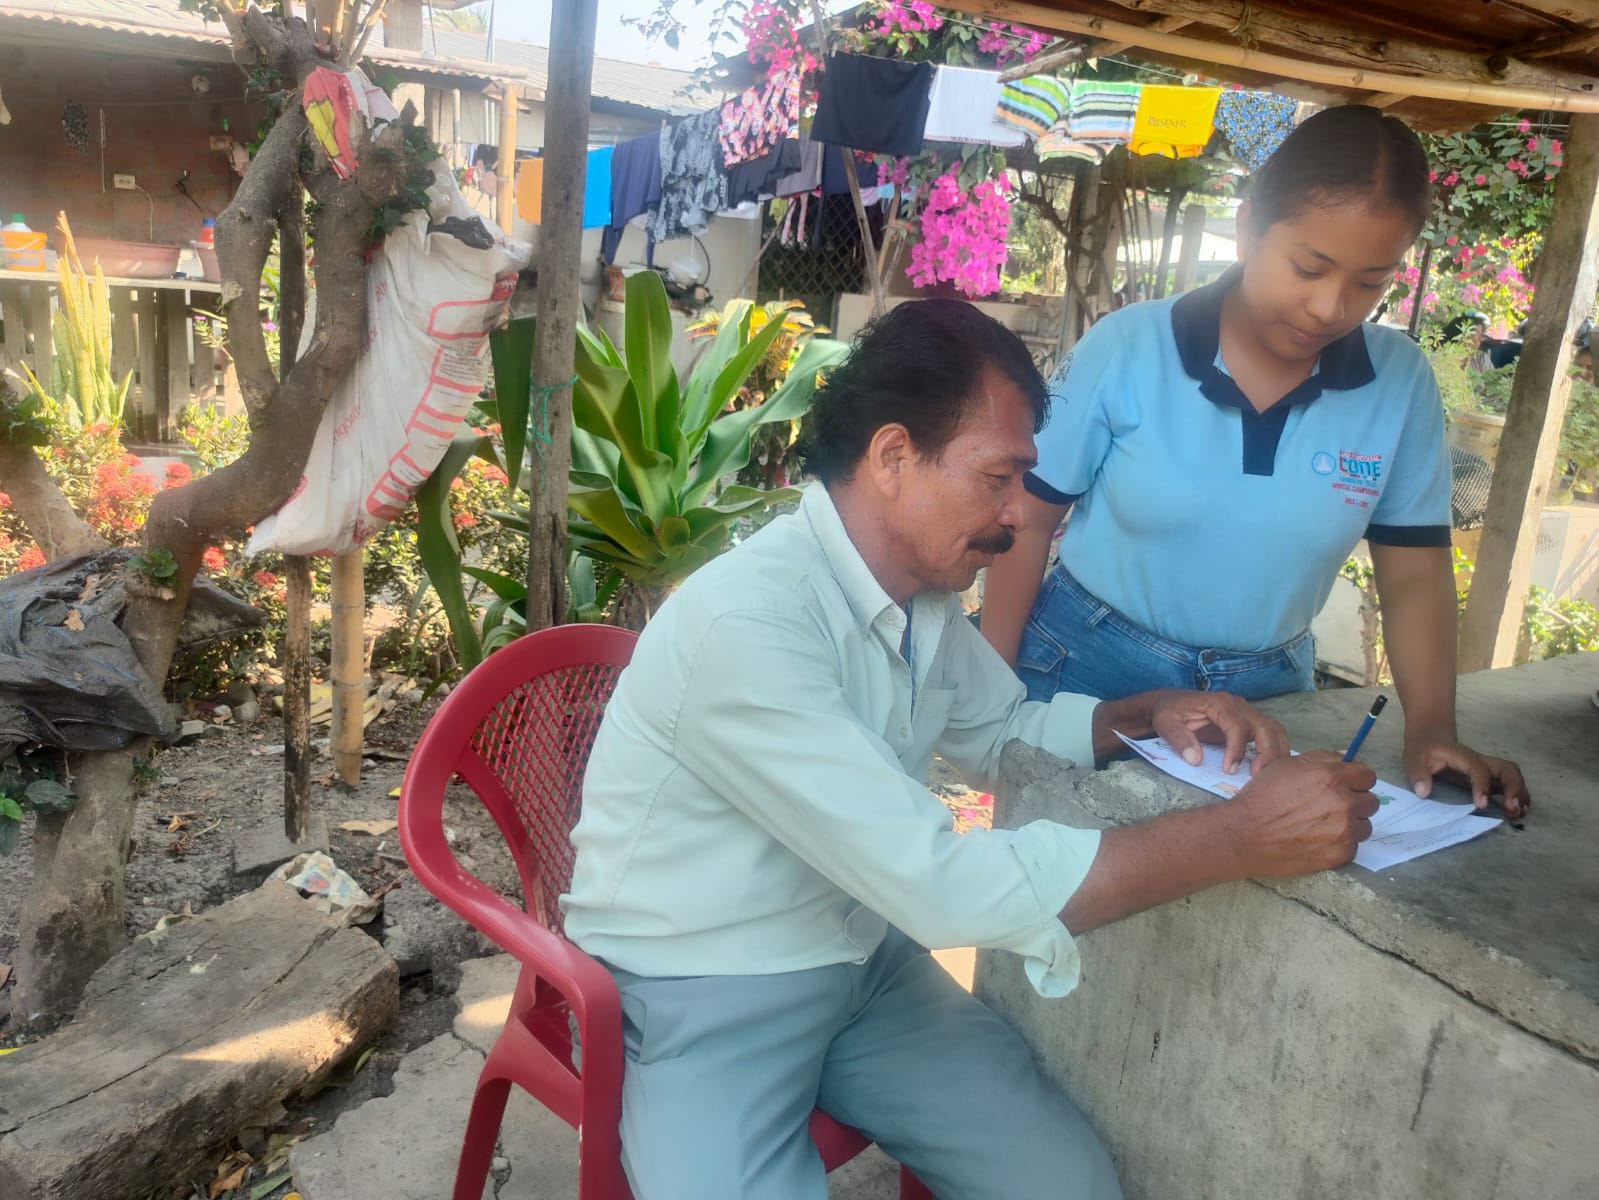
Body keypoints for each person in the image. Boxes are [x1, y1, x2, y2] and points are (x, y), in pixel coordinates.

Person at [562, 301, 1388, 1200]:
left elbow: (999, 734)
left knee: (1065, 1189)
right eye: (999, 477)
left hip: (859, 962)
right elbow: (940, 885)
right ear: (891, 456)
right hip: (703, 985)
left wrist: (1145, 713)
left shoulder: (914, 592)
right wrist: (1239, 838)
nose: (1019, 514)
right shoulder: (749, 626)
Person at [980, 106, 1528, 817]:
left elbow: (1415, 573)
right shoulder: (1129, 349)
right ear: (1246, 230)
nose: (1329, 306)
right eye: (1308, 267)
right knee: (1060, 874)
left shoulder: (1398, 384)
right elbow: (1024, 521)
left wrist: (1431, 730)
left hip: (1267, 700)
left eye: (1370, 282)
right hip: (1088, 672)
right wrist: (992, 692)